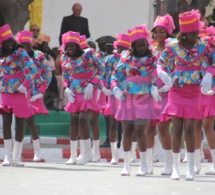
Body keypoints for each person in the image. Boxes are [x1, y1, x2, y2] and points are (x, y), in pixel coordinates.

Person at [157, 9, 213, 181]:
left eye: (196, 32)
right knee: (177, 129)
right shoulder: (172, 46)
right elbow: (161, 62)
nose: (195, 36)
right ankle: (175, 168)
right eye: (192, 33)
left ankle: (190, 168)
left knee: (190, 129)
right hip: (176, 90)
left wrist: (210, 73)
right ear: (184, 33)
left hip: (194, 91)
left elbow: (213, 61)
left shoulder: (204, 46)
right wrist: (162, 73)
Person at [111, 24, 160, 176]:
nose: (141, 48)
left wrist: (155, 86)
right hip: (127, 97)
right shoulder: (125, 57)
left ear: (147, 44)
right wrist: (115, 88)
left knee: (140, 130)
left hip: (144, 97)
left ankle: (143, 164)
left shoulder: (153, 58)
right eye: (138, 45)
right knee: (127, 131)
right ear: (132, 46)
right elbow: (116, 74)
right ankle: (126, 164)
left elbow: (158, 74)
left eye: (143, 44)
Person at [59, 31, 105, 165]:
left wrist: (93, 83)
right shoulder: (65, 58)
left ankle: (87, 153)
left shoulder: (89, 54)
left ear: (78, 46)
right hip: (74, 91)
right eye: (67, 47)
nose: (69, 49)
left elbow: (101, 68)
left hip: (88, 91)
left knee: (82, 119)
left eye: (72, 46)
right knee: (73, 120)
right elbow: (66, 75)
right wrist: (66, 88)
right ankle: (73, 154)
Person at [0, 24, 38, 166]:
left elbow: (33, 70)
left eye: (11, 41)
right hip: (5, 90)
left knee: (20, 122)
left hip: (21, 90)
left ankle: (17, 157)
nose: (9, 44)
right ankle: (7, 157)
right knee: (6, 122)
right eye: (6, 42)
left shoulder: (20, 52)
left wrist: (25, 84)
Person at [15, 30, 52, 161]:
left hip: (35, 93)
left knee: (29, 120)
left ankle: (37, 153)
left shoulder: (39, 56)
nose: (25, 47)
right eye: (23, 45)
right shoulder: (16, 56)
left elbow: (48, 74)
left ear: (32, 44)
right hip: (19, 91)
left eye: (28, 44)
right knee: (19, 121)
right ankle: (17, 153)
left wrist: (41, 91)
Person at [148, 14, 175, 175]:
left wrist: (168, 84)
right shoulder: (149, 49)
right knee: (149, 128)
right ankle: (149, 161)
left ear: (168, 33)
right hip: (151, 92)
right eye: (156, 32)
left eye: (162, 32)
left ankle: (169, 162)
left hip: (169, 91)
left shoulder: (173, 48)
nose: (158, 35)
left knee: (163, 127)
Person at [102, 33, 131, 165]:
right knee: (112, 123)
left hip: (127, 93)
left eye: (123, 48)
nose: (120, 51)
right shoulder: (109, 59)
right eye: (119, 47)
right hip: (113, 93)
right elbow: (103, 74)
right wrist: (103, 88)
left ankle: (126, 153)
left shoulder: (131, 59)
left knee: (127, 125)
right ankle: (114, 154)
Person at [37, 34, 59, 110]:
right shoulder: (39, 55)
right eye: (44, 44)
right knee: (51, 78)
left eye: (47, 44)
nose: (46, 46)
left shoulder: (50, 56)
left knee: (55, 78)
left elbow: (55, 66)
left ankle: (52, 103)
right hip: (42, 75)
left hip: (51, 75)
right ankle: (45, 104)